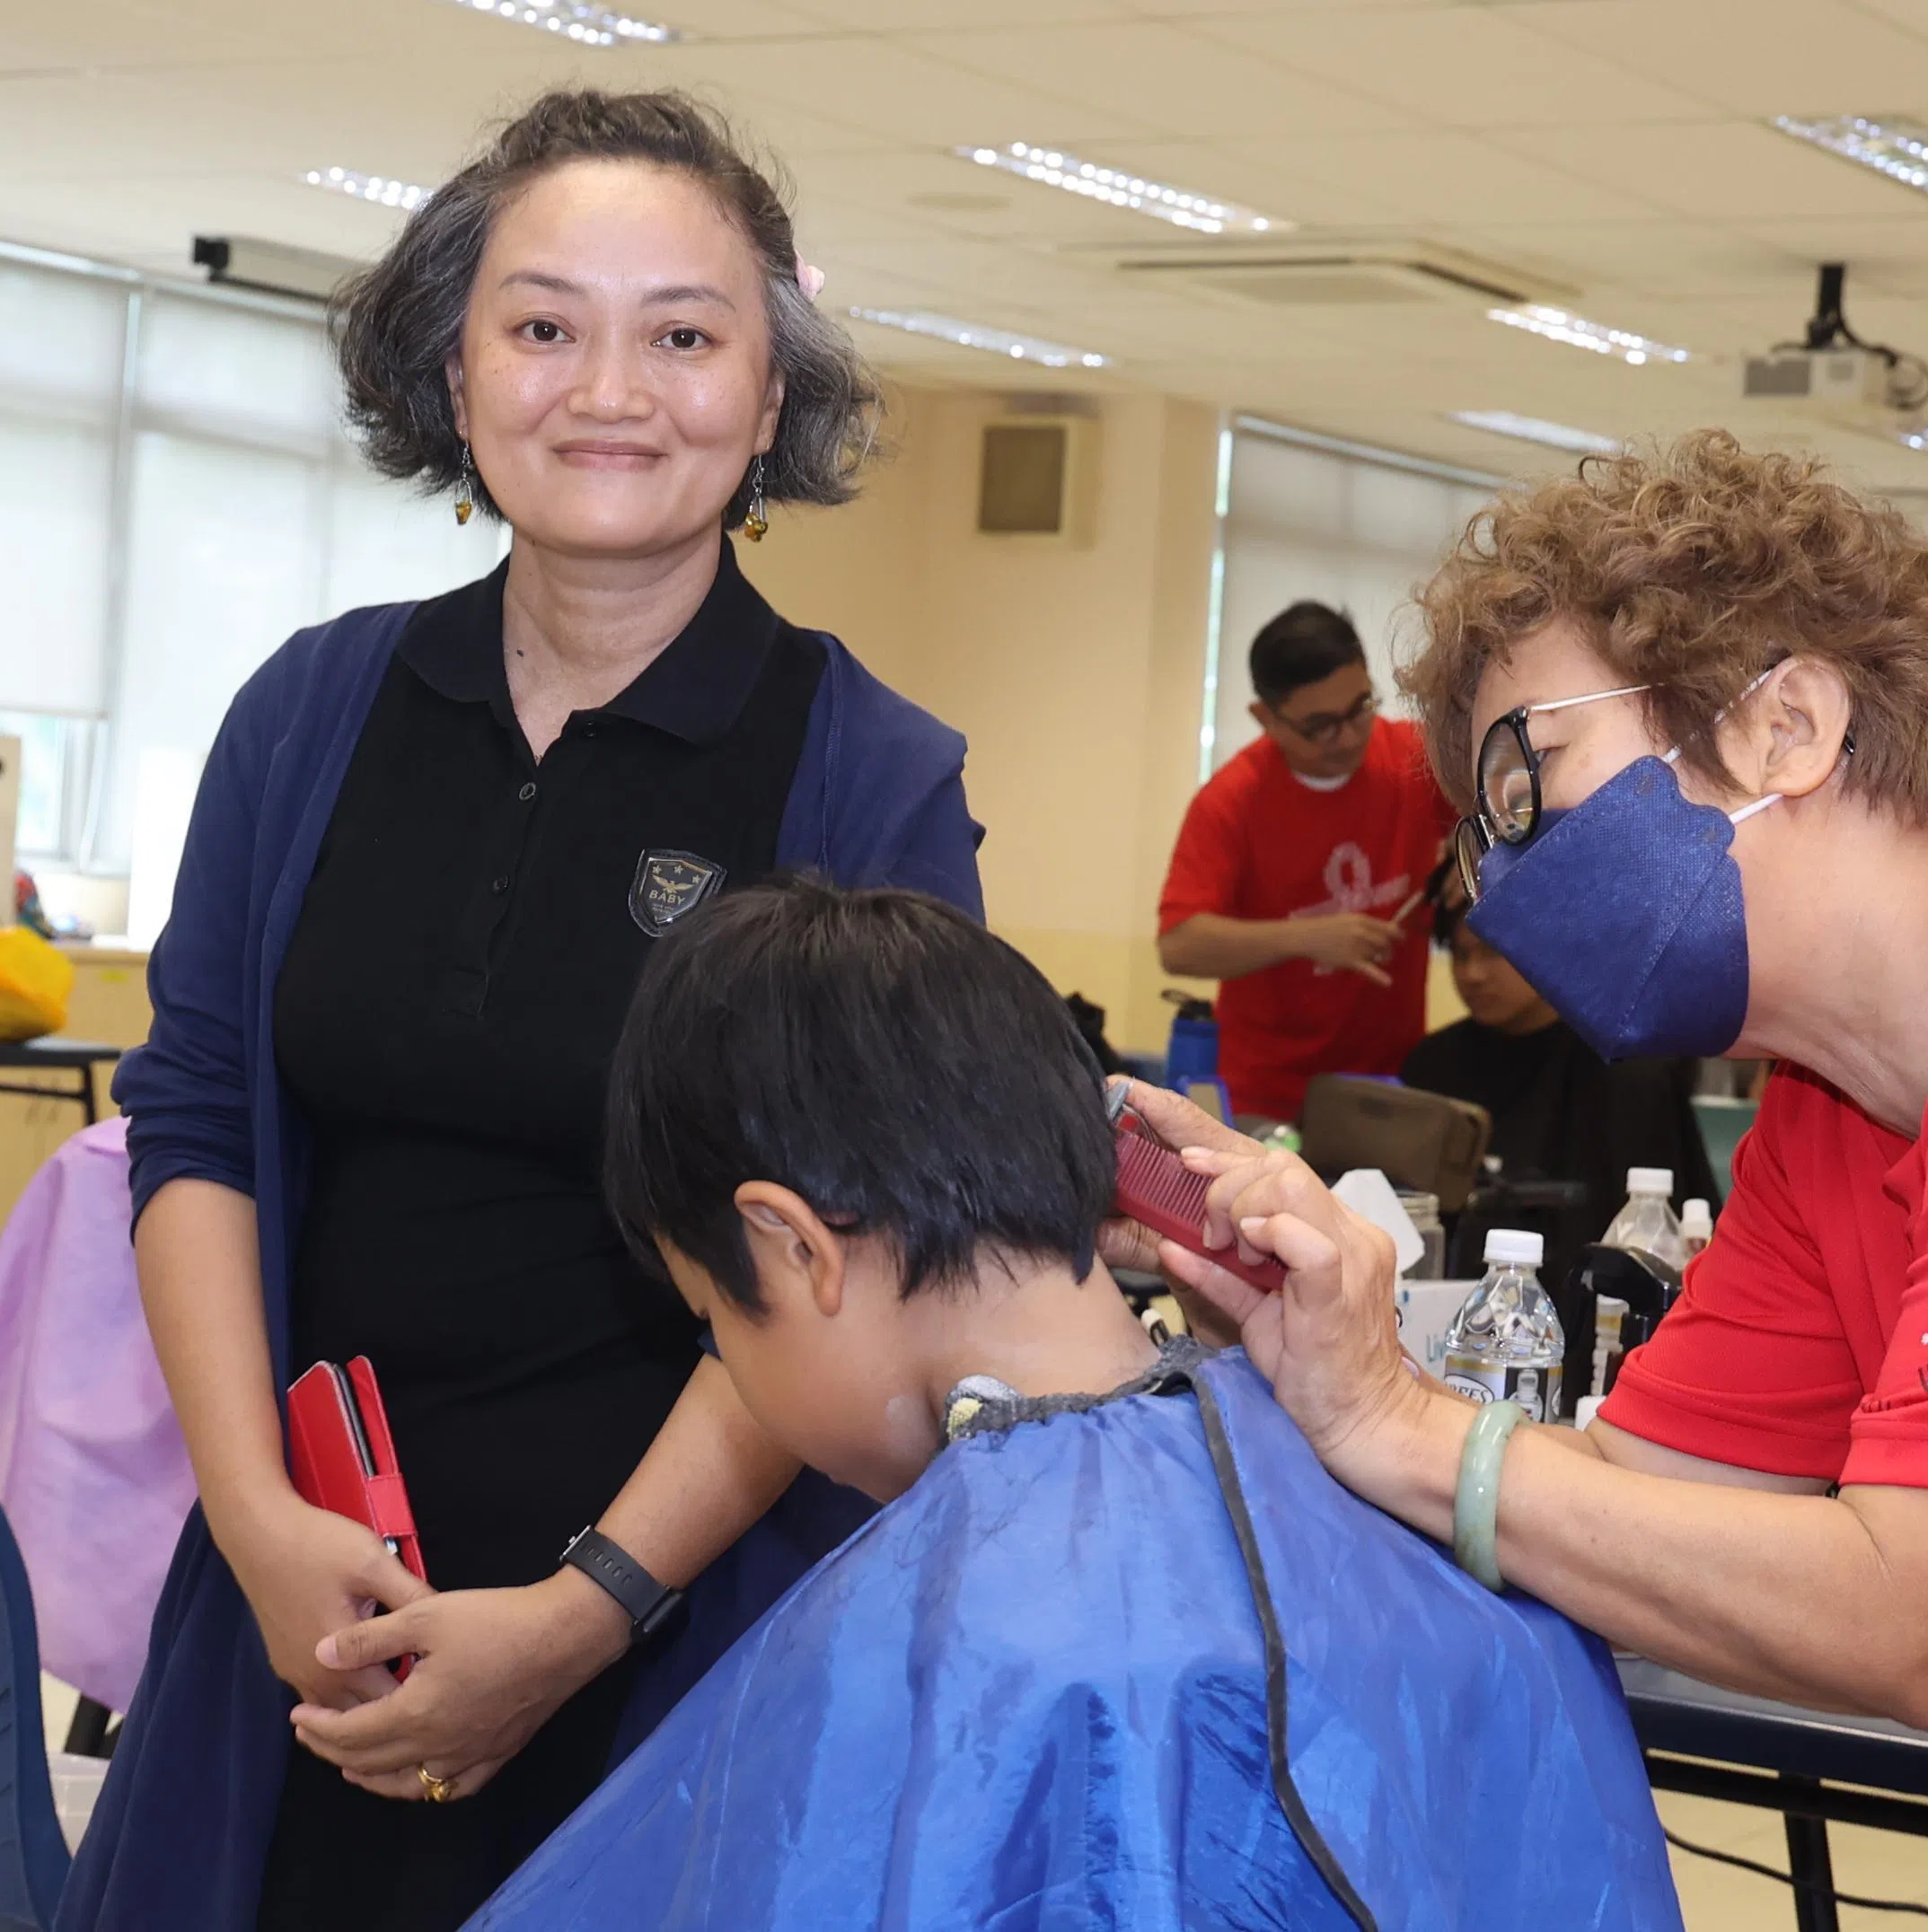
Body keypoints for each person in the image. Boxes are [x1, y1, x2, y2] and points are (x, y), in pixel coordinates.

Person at [68, 90, 984, 1932]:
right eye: (545, 324)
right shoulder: (311, 713)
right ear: (455, 365)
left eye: (685, 334)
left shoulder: (861, 773)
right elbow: (196, 1121)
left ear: (772, 391)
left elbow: (850, 1265)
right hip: (307, 1603)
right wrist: (252, 1515)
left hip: (687, 1626)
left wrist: (584, 1611)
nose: (610, 389)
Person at [1105, 430, 1928, 1784]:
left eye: (1527, 787)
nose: (1490, 890)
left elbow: (1926, 1625)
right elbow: (1628, 1508)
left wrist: (1396, 1424)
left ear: (1790, 725)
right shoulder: (1826, 1117)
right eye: (1483, 834)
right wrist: (1316, 1330)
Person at [446, 879, 1678, 1930]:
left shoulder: (960, 1632)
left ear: (792, 1245)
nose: (724, 1354)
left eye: (710, 1317)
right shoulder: (1435, 1503)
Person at [1157, 601, 1450, 1120]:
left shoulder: (1414, 759)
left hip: (1387, 1089)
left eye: (1361, 707)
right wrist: (1307, 938)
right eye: (1320, 726)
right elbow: (1181, 945)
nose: (1351, 737)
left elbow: (1509, 815)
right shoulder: (1232, 802)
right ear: (1265, 718)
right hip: (1263, 1099)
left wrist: (1480, 864)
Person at [1402, 876, 1718, 1243]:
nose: (1471, 974)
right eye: (1460, 954)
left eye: (1492, 952)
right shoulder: (1432, 1065)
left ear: (1547, 946)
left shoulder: (1628, 1069)